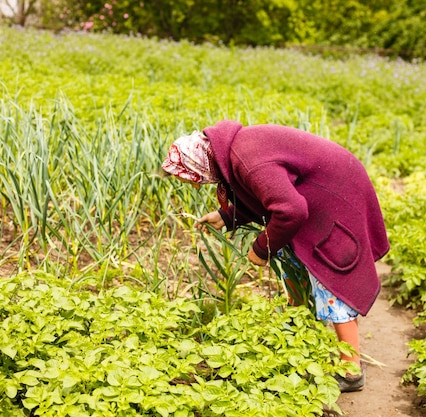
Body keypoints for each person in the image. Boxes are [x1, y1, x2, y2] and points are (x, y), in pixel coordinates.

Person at [162, 120, 389, 392]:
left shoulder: (247, 161)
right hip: (320, 191)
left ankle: (351, 371)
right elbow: (266, 195)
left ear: (200, 163)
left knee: (330, 281)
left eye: (190, 177)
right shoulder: (234, 152)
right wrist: (226, 216)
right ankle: (300, 334)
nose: (195, 184)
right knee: (296, 264)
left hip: (335, 197)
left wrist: (261, 248)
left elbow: (290, 210)